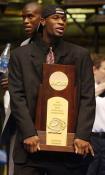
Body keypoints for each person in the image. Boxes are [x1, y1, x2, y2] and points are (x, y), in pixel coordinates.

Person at [8, 5, 95, 175]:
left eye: (64, 19)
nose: (61, 22)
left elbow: (87, 98)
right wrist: (28, 133)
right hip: (31, 148)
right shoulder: (20, 55)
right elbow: (17, 97)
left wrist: (83, 136)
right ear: (42, 22)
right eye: (55, 18)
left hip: (69, 150)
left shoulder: (80, 55)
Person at [1, 1, 42, 175]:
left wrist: (16, 84)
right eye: (23, 17)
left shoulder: (56, 48)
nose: (25, 21)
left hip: (42, 120)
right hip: (18, 119)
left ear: (44, 19)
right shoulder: (23, 47)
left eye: (30, 16)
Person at [87, 54, 105, 175]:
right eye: (104, 69)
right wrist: (101, 88)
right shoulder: (87, 88)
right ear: (94, 69)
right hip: (92, 139)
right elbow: (83, 101)